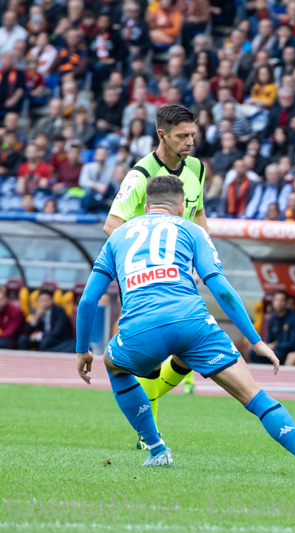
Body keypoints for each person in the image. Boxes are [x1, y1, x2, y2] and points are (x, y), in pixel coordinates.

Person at [75, 175, 295, 477]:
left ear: (146, 205)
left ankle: (157, 448)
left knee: (114, 365)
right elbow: (222, 289)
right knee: (254, 396)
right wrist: (255, 340)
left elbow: (87, 301)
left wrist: (82, 350)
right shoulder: (192, 229)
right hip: (193, 324)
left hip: (141, 328)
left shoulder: (118, 234)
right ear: (180, 206)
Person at [102, 104, 206, 445]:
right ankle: (150, 436)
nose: (190, 141)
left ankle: (147, 431)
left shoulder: (197, 169)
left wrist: (205, 261)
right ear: (162, 135)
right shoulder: (140, 174)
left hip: (180, 278)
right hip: (144, 279)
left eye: (192, 134)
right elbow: (112, 225)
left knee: (186, 353)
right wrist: (147, 255)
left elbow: (198, 214)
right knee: (152, 358)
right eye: (182, 136)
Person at [18, 288, 74, 352]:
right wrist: (37, 316)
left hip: (58, 340)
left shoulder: (59, 311)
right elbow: (27, 331)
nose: (44, 303)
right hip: (44, 339)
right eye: (42, 300)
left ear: (52, 300)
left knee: (46, 341)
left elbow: (57, 332)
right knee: (23, 339)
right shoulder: (38, 311)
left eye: (46, 300)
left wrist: (39, 336)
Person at [257, 290, 295, 365]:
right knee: (254, 353)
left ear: (286, 302)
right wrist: (265, 345)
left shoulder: (294, 317)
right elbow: (269, 339)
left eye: (282, 300)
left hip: (287, 351)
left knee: (277, 354)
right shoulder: (272, 318)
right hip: (276, 349)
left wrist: (275, 346)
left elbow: (293, 343)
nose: (279, 303)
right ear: (273, 302)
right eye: (276, 300)